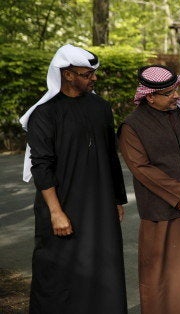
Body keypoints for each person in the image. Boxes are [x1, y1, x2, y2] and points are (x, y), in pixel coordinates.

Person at [20, 44, 128, 313]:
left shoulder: (101, 107)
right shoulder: (44, 114)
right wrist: (56, 212)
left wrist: (117, 200)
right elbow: (41, 166)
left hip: (100, 204)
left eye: (93, 74)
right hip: (62, 203)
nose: (93, 79)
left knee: (104, 267)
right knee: (58, 270)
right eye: (86, 74)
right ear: (67, 74)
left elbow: (110, 157)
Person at [118, 65, 180, 313]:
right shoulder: (132, 126)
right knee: (164, 281)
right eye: (169, 92)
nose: (176, 96)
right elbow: (141, 168)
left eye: (176, 89)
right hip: (162, 212)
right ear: (150, 96)